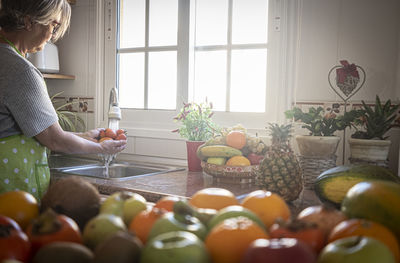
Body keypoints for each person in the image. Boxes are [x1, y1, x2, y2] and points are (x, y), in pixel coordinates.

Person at [0, 0, 127, 199]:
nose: (52, 35)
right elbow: (54, 139)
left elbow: (42, 131)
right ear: (28, 22)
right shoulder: (20, 70)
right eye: (53, 24)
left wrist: (85, 136)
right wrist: (100, 148)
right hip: (10, 192)